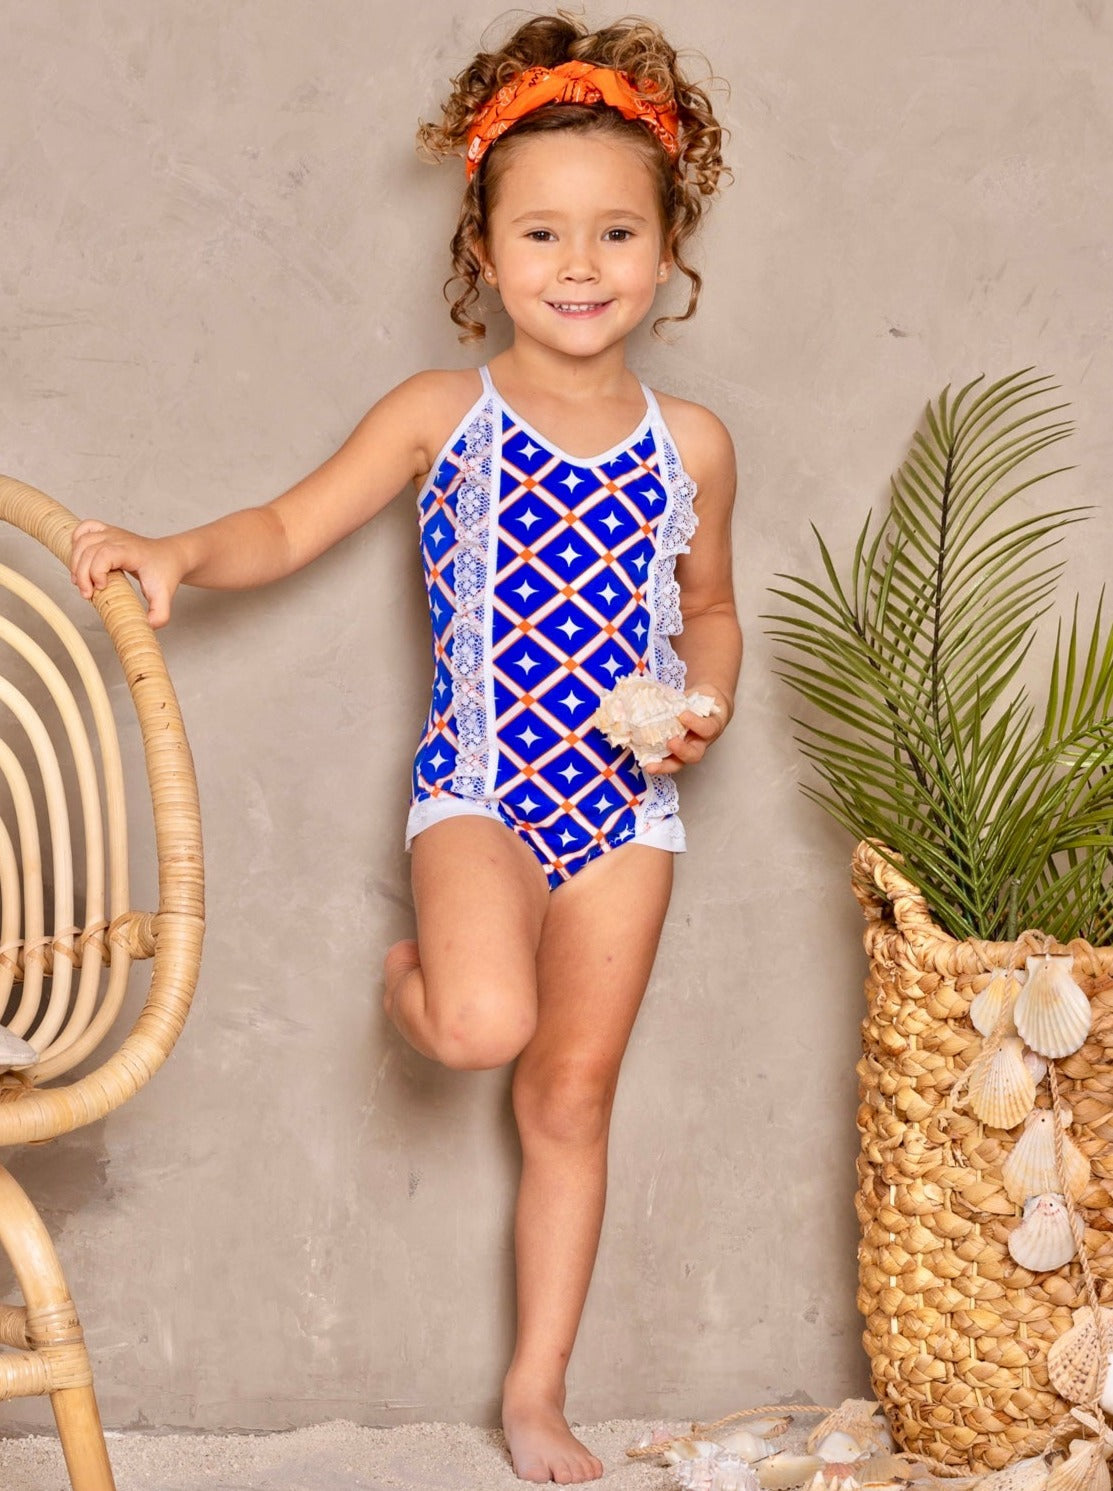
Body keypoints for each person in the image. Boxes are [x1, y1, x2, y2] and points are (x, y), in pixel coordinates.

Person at [70, 13, 741, 1484]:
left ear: (666, 249)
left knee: (568, 1098)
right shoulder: (448, 416)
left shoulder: (690, 443)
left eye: (616, 232)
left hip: (627, 811)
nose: (579, 265)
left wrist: (704, 703)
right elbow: (286, 525)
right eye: (543, 233)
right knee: (485, 1028)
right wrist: (177, 552)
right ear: (483, 252)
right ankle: (411, 988)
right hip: (484, 790)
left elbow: (710, 610)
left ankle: (534, 1391)